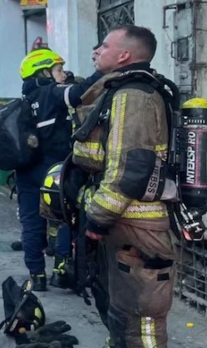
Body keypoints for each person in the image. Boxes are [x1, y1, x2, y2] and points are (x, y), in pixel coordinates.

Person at [73, 26, 174, 347]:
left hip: (136, 225)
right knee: (121, 308)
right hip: (125, 224)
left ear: (124, 55)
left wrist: (96, 220)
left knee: (142, 316)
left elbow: (128, 170)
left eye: (104, 45)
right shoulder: (121, 90)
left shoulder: (132, 97)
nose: (97, 50)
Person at [16, 47, 103, 291]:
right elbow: (78, 93)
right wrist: (103, 69)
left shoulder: (26, 98)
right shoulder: (51, 93)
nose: (63, 74)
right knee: (66, 216)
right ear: (43, 73)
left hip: (25, 172)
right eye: (58, 70)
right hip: (54, 171)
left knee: (31, 224)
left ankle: (37, 276)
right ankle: (61, 269)